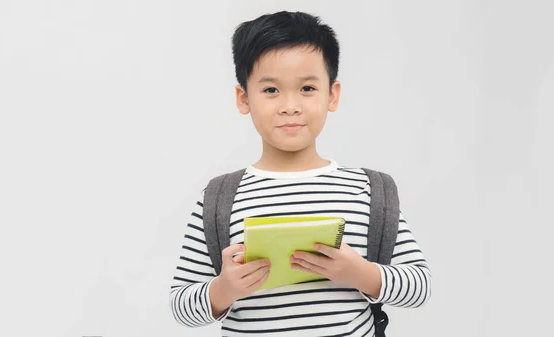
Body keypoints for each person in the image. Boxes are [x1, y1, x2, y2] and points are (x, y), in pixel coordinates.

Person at [169, 10, 432, 336]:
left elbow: (420, 286)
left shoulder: (365, 189)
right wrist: (224, 289)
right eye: (270, 90)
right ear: (243, 98)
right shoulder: (220, 198)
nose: (290, 106)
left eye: (307, 88)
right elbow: (181, 304)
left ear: (332, 95)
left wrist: (360, 273)